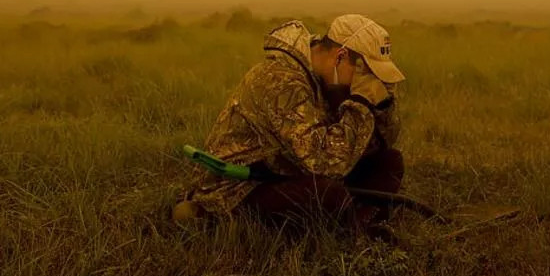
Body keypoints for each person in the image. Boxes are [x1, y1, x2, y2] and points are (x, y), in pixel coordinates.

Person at [174, 14, 406, 235]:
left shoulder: (332, 81)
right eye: (366, 73)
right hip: (241, 186)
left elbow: (379, 143)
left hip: (291, 170)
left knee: (389, 161)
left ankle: (356, 223)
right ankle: (210, 219)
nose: (367, 82)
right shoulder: (281, 79)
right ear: (341, 57)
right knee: (326, 194)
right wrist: (360, 104)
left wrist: (382, 106)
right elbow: (324, 163)